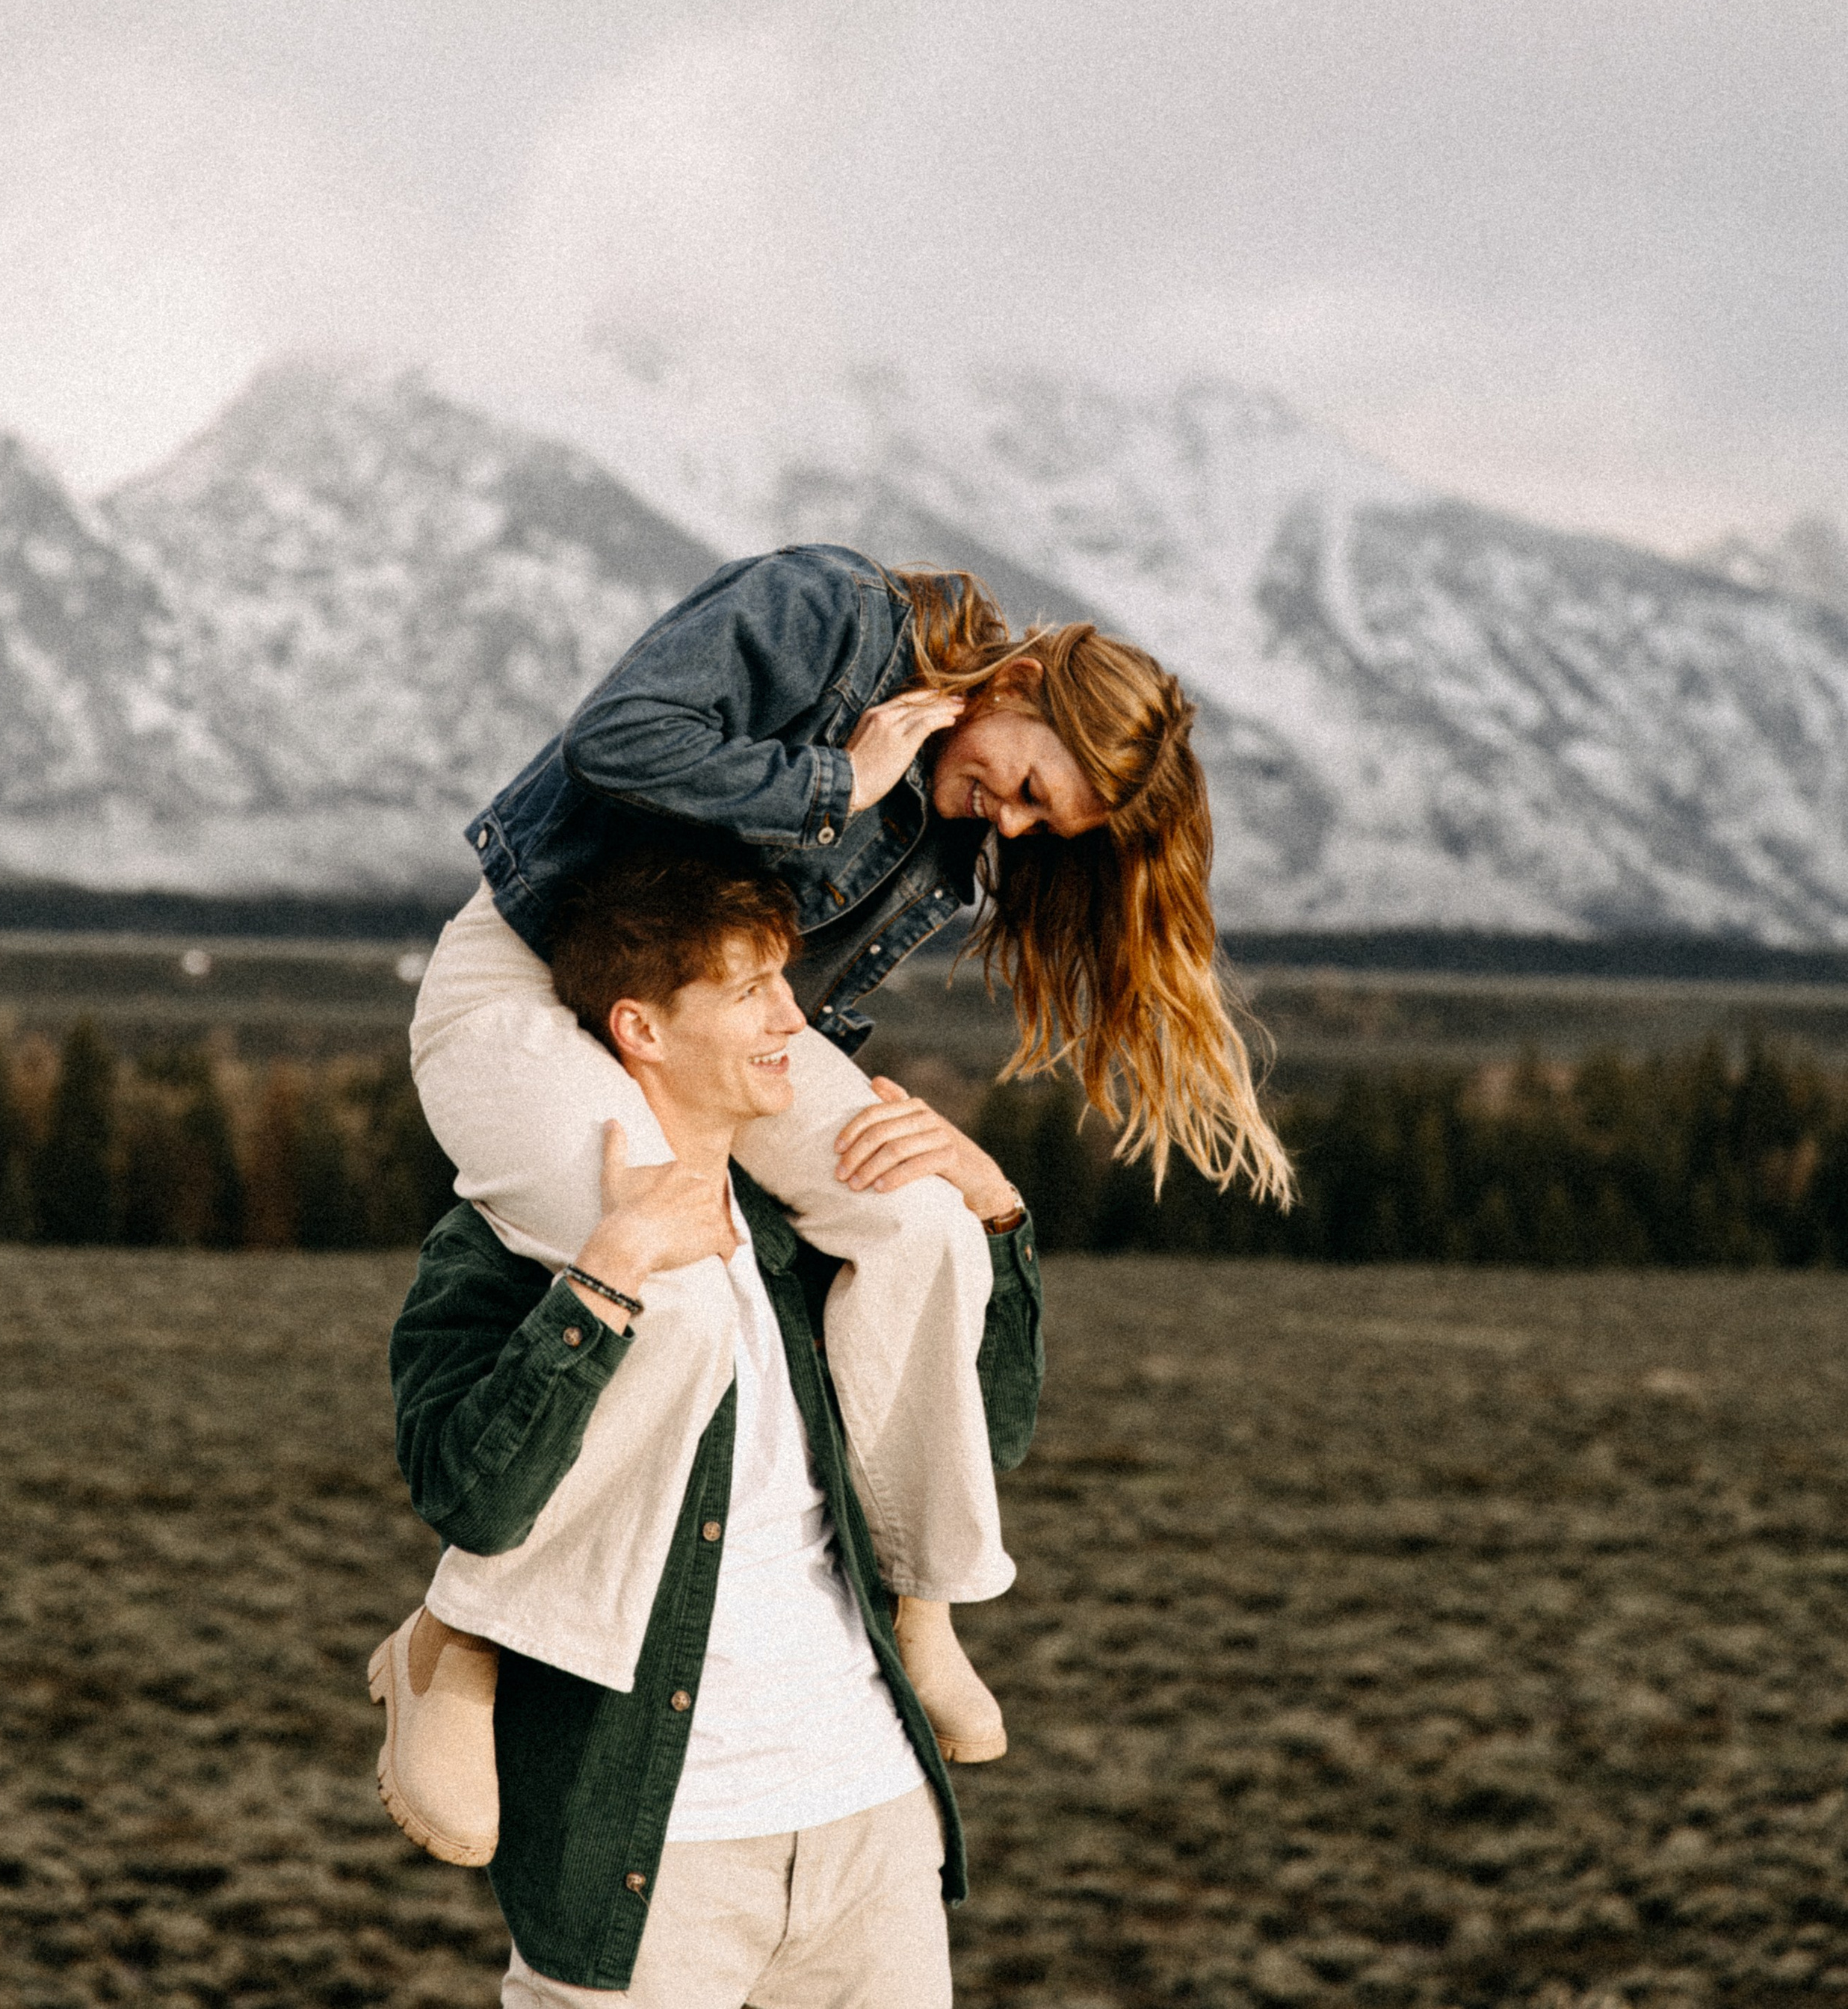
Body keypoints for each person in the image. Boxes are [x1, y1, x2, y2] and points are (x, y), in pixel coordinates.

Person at [372, 545, 1288, 1856]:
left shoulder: (950, 838)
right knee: (673, 1286)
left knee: (921, 1220)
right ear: (1015, 681)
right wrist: (834, 784)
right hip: (529, 979)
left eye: (1046, 829)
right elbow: (618, 741)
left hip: (730, 1021)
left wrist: (874, 1127)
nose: (1011, 826)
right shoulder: (829, 618)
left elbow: (795, 1012)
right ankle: (458, 1641)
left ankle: (921, 1603)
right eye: (1028, 787)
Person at [383, 836, 1043, 2006]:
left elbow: (979, 1444)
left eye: (788, 982)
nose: (800, 1019)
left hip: (870, 1827)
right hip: (650, 1854)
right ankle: (445, 1647)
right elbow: (470, 1496)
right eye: (752, 993)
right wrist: (607, 1281)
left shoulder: (816, 1243)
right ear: (640, 1029)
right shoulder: (499, 1251)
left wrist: (987, 1217)